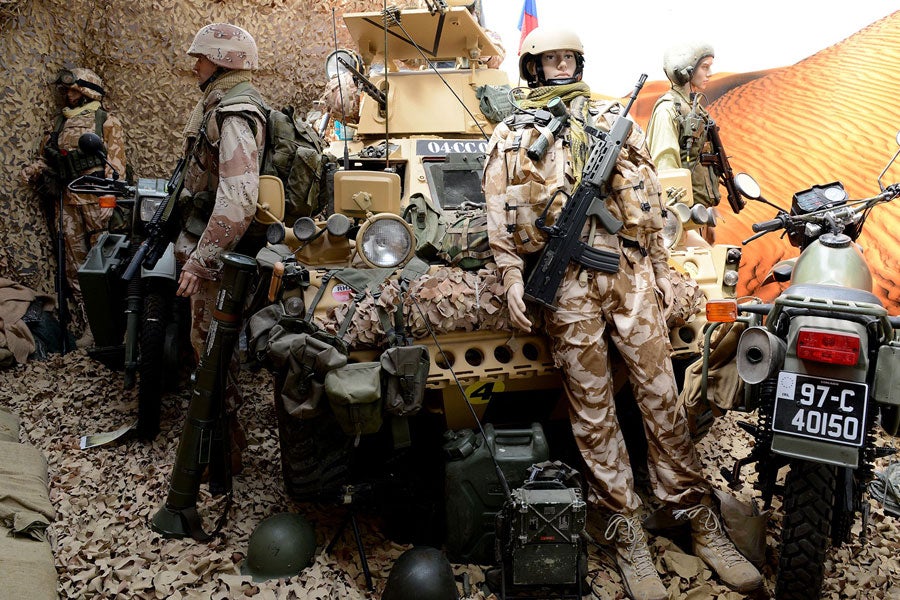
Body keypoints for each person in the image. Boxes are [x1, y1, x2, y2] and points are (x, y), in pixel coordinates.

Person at [482, 28, 763, 600]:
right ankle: (623, 525)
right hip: (564, 286)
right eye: (549, 59)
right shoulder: (511, 135)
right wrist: (513, 275)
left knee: (660, 392)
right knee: (592, 409)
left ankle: (693, 512)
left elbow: (651, 198)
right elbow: (497, 213)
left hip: (629, 272)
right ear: (532, 68)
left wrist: (660, 269)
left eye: (568, 57)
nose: (560, 65)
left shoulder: (612, 120)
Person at [174, 22, 267, 469]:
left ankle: (223, 455)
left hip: (219, 255)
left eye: (201, 56)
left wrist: (201, 260)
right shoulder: (219, 105)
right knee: (209, 349)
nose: (195, 65)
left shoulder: (234, 112)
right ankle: (219, 445)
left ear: (222, 60)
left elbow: (238, 200)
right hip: (212, 245)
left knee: (213, 353)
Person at [21, 68, 126, 349]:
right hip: (67, 202)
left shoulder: (105, 121)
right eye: (67, 92)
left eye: (73, 91)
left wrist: (108, 200)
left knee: (103, 263)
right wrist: (35, 169)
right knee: (75, 267)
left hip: (94, 202)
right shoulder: (61, 123)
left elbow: (116, 166)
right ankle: (91, 325)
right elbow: (52, 157)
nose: (68, 96)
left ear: (87, 91)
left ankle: (115, 328)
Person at [646, 42, 722, 244]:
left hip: (696, 215)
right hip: (679, 219)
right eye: (705, 67)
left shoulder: (693, 108)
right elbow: (665, 169)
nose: (710, 73)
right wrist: (681, 223)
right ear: (686, 72)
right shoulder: (668, 110)